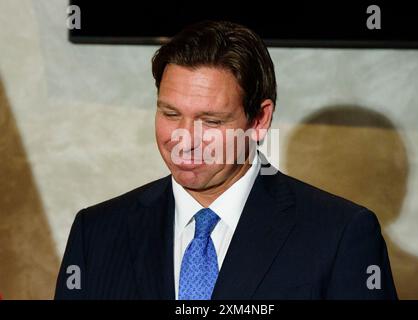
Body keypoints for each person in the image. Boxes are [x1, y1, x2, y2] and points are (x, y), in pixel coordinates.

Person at [55, 20, 397, 300]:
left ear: (259, 120)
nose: (184, 139)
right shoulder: (96, 233)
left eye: (211, 121)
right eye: (170, 113)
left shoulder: (340, 235)